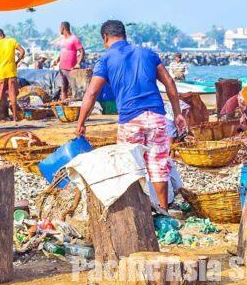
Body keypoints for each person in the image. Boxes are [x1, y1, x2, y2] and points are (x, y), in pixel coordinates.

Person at [75, 19, 188, 210]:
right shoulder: (148, 53)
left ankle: (138, 212)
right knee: (158, 166)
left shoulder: (106, 59)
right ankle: (163, 210)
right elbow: (169, 82)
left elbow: (92, 93)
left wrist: (81, 122)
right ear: (124, 35)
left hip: (130, 120)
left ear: (105, 38)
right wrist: (177, 113)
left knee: (130, 167)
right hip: (156, 116)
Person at [0, 28, 26, 121]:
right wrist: (17, 62)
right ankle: (15, 117)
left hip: (0, 73)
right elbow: (22, 51)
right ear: (4, 34)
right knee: (13, 96)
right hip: (11, 72)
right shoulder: (12, 41)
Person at [52, 22, 84, 100]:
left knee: (74, 89)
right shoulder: (62, 40)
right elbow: (63, 51)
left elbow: (82, 52)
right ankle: (65, 106)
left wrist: (78, 64)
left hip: (71, 69)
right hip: (62, 68)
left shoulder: (74, 39)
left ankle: (74, 107)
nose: (60, 30)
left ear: (63, 28)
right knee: (63, 88)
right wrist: (57, 60)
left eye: (60, 28)